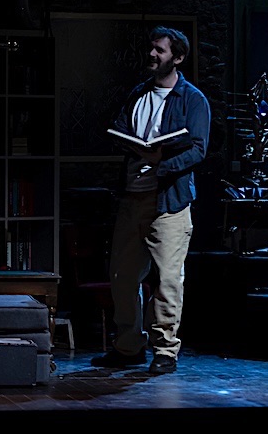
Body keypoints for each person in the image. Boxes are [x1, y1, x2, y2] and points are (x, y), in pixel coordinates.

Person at [91, 25, 210, 375]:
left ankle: (165, 350)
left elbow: (198, 149)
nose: (152, 55)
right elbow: (120, 129)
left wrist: (162, 165)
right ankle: (128, 346)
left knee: (168, 279)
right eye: (151, 48)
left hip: (168, 201)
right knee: (123, 276)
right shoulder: (138, 94)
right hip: (132, 198)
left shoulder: (192, 99)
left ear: (178, 57)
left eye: (160, 50)